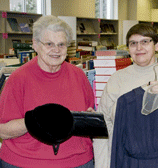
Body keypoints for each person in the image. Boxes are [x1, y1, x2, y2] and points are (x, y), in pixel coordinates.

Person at [0, 15, 95, 168]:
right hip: (26, 162)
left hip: (77, 161)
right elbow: (3, 131)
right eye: (49, 44)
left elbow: (89, 113)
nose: (56, 50)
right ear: (35, 44)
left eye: (61, 44)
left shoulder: (79, 76)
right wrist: (35, 121)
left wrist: (88, 119)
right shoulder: (17, 79)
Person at [93, 23, 158, 168]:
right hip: (123, 161)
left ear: (156, 46)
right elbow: (103, 128)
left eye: (145, 42)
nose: (139, 48)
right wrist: (103, 165)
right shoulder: (116, 80)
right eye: (133, 43)